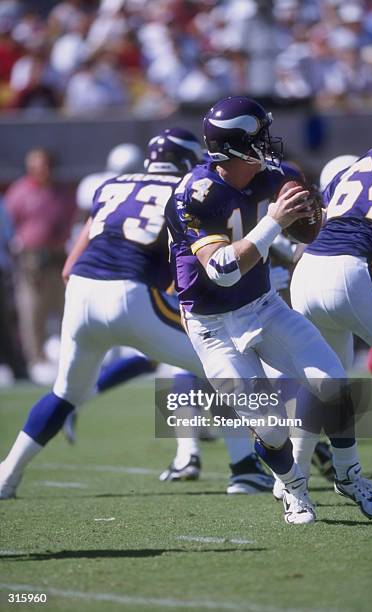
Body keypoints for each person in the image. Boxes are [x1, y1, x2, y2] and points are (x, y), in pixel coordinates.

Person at [0, 128, 274, 501]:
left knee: (64, 393)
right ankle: (246, 469)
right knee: (219, 364)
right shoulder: (188, 190)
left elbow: (69, 267)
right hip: (132, 291)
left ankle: (7, 475)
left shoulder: (110, 187)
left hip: (81, 291)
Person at [165, 95, 372, 524]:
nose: (268, 143)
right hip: (212, 325)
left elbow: (304, 232)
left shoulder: (277, 178)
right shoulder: (194, 194)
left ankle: (349, 475)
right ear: (233, 146)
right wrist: (276, 221)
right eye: (258, 136)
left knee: (333, 381)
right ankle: (295, 488)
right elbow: (224, 270)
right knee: (267, 425)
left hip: (264, 305)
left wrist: (309, 219)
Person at [289, 124, 372, 487]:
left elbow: (314, 226)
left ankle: (291, 477)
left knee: (325, 382)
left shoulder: (355, 167)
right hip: (353, 274)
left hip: (306, 273)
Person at [4, 147, 76, 384]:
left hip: (57, 260)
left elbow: (71, 221)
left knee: (67, 311)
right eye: (34, 165)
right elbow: (10, 225)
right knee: (31, 312)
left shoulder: (61, 193)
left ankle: (67, 359)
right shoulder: (19, 192)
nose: (39, 170)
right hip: (31, 262)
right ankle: (35, 361)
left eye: (43, 164)